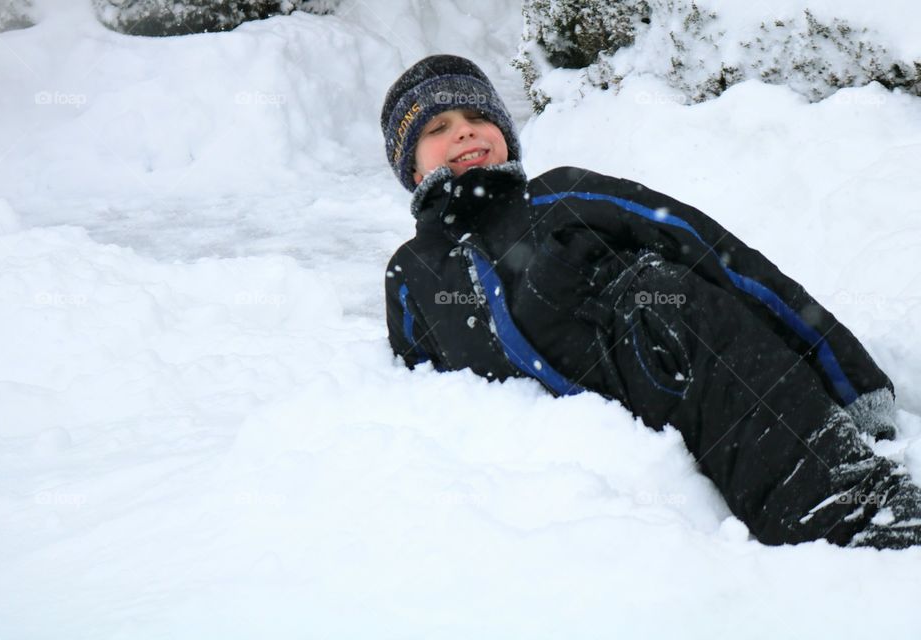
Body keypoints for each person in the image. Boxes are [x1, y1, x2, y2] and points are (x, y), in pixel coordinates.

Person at [380, 54, 921, 549]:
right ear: (409, 165)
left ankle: (858, 509)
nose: (466, 131)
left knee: (660, 291)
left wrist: (851, 379)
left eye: (478, 117)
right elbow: (423, 399)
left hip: (686, 367)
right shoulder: (411, 274)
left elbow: (720, 258)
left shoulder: (562, 194)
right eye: (438, 127)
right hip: (583, 484)